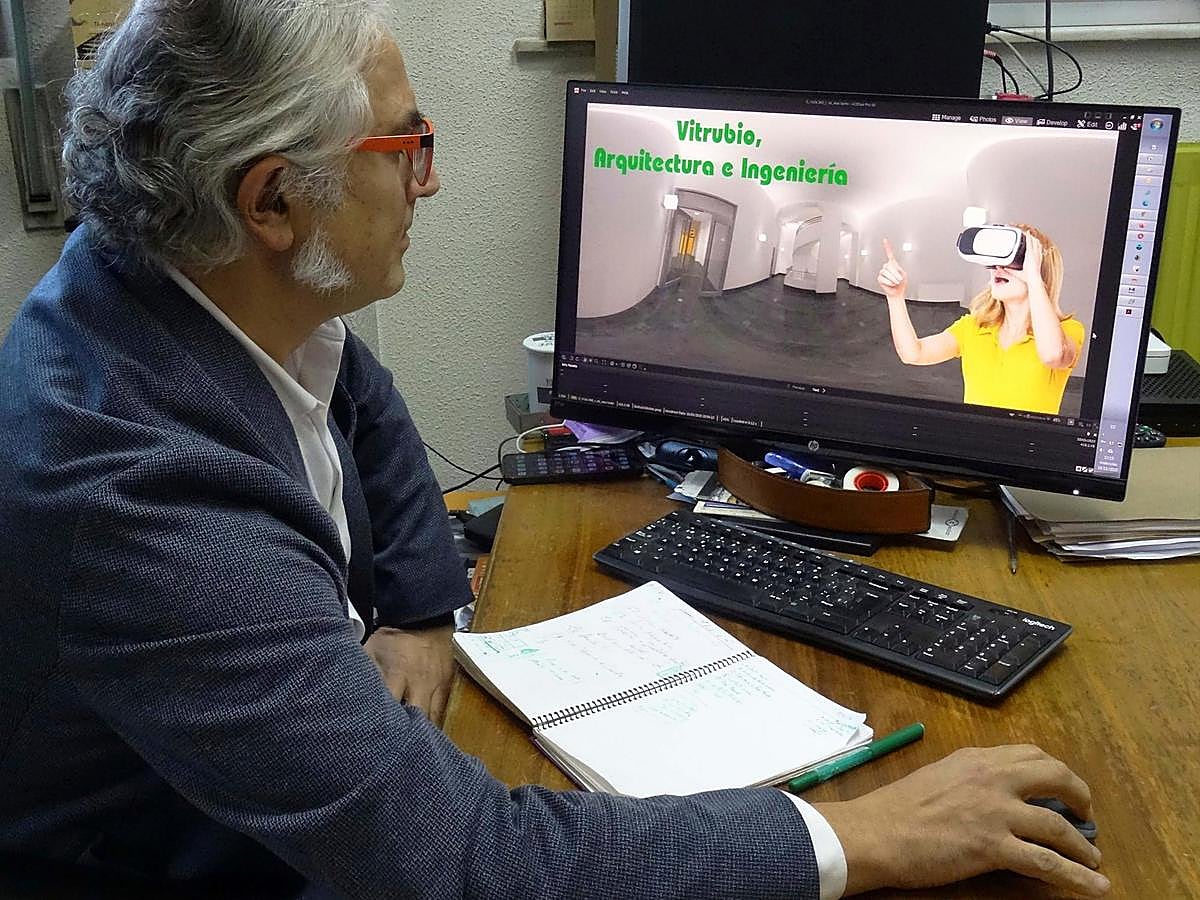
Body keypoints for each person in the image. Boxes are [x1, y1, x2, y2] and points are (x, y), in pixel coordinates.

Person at [0, 2, 1110, 898]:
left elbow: (360, 399)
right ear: (275, 198)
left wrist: (420, 611)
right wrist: (863, 837)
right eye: (407, 145)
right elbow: (468, 862)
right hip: (183, 863)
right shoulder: (141, 501)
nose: (429, 179)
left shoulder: (166, 285)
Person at [877, 227, 1085, 415]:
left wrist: (1034, 278)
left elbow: (1052, 355)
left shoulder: (1068, 330)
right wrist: (895, 297)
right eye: (995, 262)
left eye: (1011, 261)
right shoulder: (973, 327)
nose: (998, 268)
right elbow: (914, 353)